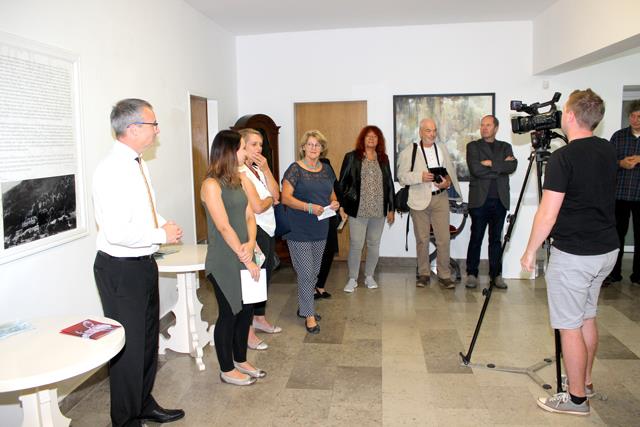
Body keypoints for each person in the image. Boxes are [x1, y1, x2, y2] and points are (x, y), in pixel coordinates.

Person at [521, 89, 618, 416]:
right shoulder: (608, 149)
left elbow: (547, 214)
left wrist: (530, 251)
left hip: (575, 254)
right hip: (606, 249)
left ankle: (576, 399)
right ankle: (585, 381)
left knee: (569, 325)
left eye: (564, 111)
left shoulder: (563, 158)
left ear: (571, 116)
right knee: (587, 316)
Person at [93, 98, 185, 426]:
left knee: (147, 342)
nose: (157, 130)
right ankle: (125, 419)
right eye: (153, 124)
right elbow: (117, 232)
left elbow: (144, 210)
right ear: (132, 129)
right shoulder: (111, 170)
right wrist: (160, 233)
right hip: (121, 269)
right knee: (127, 350)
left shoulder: (137, 162)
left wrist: (162, 223)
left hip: (143, 262)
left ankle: (144, 403)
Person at [201, 130, 265, 386]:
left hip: (244, 251)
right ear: (229, 151)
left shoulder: (239, 179)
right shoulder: (211, 185)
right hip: (224, 259)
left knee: (246, 311)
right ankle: (226, 369)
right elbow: (224, 226)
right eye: (242, 148)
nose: (246, 152)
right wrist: (245, 257)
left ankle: (240, 359)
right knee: (229, 312)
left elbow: (250, 215)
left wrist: (250, 243)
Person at [281, 130, 340, 334]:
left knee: (313, 272)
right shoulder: (295, 169)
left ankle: (304, 307)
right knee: (306, 273)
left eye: (318, 145)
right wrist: (308, 207)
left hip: (320, 228)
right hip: (298, 229)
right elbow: (286, 198)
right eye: (310, 144)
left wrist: (334, 203)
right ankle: (309, 316)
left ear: (322, 148)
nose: (314, 148)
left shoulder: (326, 170)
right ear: (303, 147)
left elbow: (331, 194)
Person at [397, 118, 462, 289]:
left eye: (434, 130)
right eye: (428, 130)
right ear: (420, 132)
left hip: (440, 198)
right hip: (419, 200)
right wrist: (420, 176)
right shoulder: (410, 151)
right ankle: (424, 274)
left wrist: (447, 183)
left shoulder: (442, 148)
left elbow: (449, 172)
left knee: (444, 239)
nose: (432, 134)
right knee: (422, 239)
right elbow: (402, 177)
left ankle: (444, 275)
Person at [238, 128, 282, 351]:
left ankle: (259, 318)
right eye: (253, 144)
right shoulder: (240, 172)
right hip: (254, 229)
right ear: (242, 146)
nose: (259, 149)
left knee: (265, 276)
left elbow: (277, 193)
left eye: (261, 144)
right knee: (253, 280)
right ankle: (247, 331)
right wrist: (269, 200)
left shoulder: (257, 169)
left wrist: (266, 169)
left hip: (268, 227)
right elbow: (257, 206)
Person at [337, 125, 395, 292]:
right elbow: (342, 183)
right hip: (358, 210)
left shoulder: (383, 158)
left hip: (378, 210)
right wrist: (343, 205)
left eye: (375, 136)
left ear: (379, 140)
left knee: (374, 244)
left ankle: (369, 276)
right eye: (368, 136)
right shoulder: (352, 157)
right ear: (362, 139)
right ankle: (352, 278)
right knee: (356, 244)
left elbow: (389, 184)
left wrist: (391, 208)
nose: (371, 139)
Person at [465, 115, 517, 289]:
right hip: (479, 201)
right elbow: (476, 170)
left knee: (496, 240)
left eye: (488, 125)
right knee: (476, 238)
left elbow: (512, 166)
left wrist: (490, 163)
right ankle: (472, 274)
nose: (484, 128)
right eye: (482, 125)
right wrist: (500, 167)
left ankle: (496, 275)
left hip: (500, 201)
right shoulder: (473, 146)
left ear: (496, 128)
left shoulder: (505, 146)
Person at [605, 100, 640, 286]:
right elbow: (607, 161)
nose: (635, 120)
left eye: (639, 116)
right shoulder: (618, 136)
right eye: (632, 116)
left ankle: (638, 275)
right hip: (619, 194)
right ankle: (613, 273)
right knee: (616, 235)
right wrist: (621, 163)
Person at [314, 156, 339, 299]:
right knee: (313, 254)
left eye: (317, 146)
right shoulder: (298, 168)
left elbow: (335, 189)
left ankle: (320, 285)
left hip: (328, 215)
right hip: (311, 216)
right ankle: (311, 287)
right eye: (311, 145)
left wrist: (338, 204)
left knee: (328, 251)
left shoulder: (326, 166)